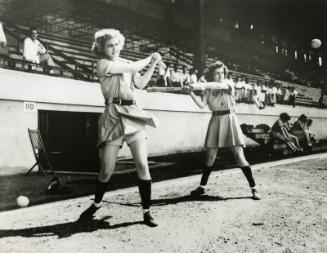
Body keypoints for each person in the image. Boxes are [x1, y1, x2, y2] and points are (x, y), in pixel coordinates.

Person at [79, 29, 162, 227]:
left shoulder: (126, 64)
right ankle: (97, 204)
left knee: (142, 165)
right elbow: (134, 68)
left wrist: (153, 64)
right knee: (106, 170)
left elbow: (140, 83)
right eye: (110, 45)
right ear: (102, 48)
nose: (114, 48)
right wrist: (150, 57)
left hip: (132, 112)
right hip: (112, 114)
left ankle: (147, 212)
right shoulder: (103, 63)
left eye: (117, 44)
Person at [184, 61, 260, 200]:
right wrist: (191, 92)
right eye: (217, 73)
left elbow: (218, 86)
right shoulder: (207, 89)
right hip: (215, 121)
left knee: (239, 157)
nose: (221, 75)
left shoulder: (228, 84)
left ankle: (254, 188)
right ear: (212, 74)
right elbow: (202, 105)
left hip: (230, 120)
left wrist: (198, 85)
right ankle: (201, 188)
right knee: (210, 158)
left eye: (222, 73)